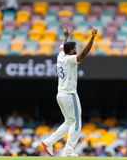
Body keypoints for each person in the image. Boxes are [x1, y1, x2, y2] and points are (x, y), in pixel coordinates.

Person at [41, 26, 98, 157]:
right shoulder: (69, 60)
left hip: (60, 94)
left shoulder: (60, 57)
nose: (76, 50)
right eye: (75, 49)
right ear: (71, 51)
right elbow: (83, 54)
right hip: (69, 94)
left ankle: (49, 142)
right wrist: (92, 38)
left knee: (69, 122)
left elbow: (61, 47)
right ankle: (67, 151)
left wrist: (66, 36)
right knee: (77, 122)